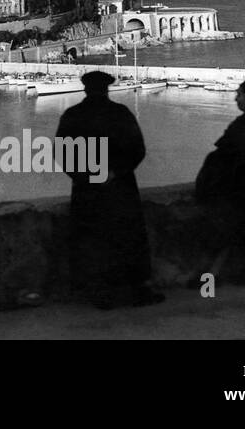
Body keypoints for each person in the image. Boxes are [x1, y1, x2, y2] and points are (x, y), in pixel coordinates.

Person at [55, 70, 164, 309]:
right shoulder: (121, 114)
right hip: (120, 187)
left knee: (92, 241)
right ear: (107, 89)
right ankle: (137, 290)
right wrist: (116, 172)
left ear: (85, 90)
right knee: (127, 238)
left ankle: (99, 293)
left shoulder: (73, 116)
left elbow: (62, 155)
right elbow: (138, 149)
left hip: (88, 190)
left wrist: (86, 176)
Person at [194, 78, 245, 287]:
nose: (236, 98)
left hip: (241, 182)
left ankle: (213, 275)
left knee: (227, 230)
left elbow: (228, 149)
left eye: (240, 94)